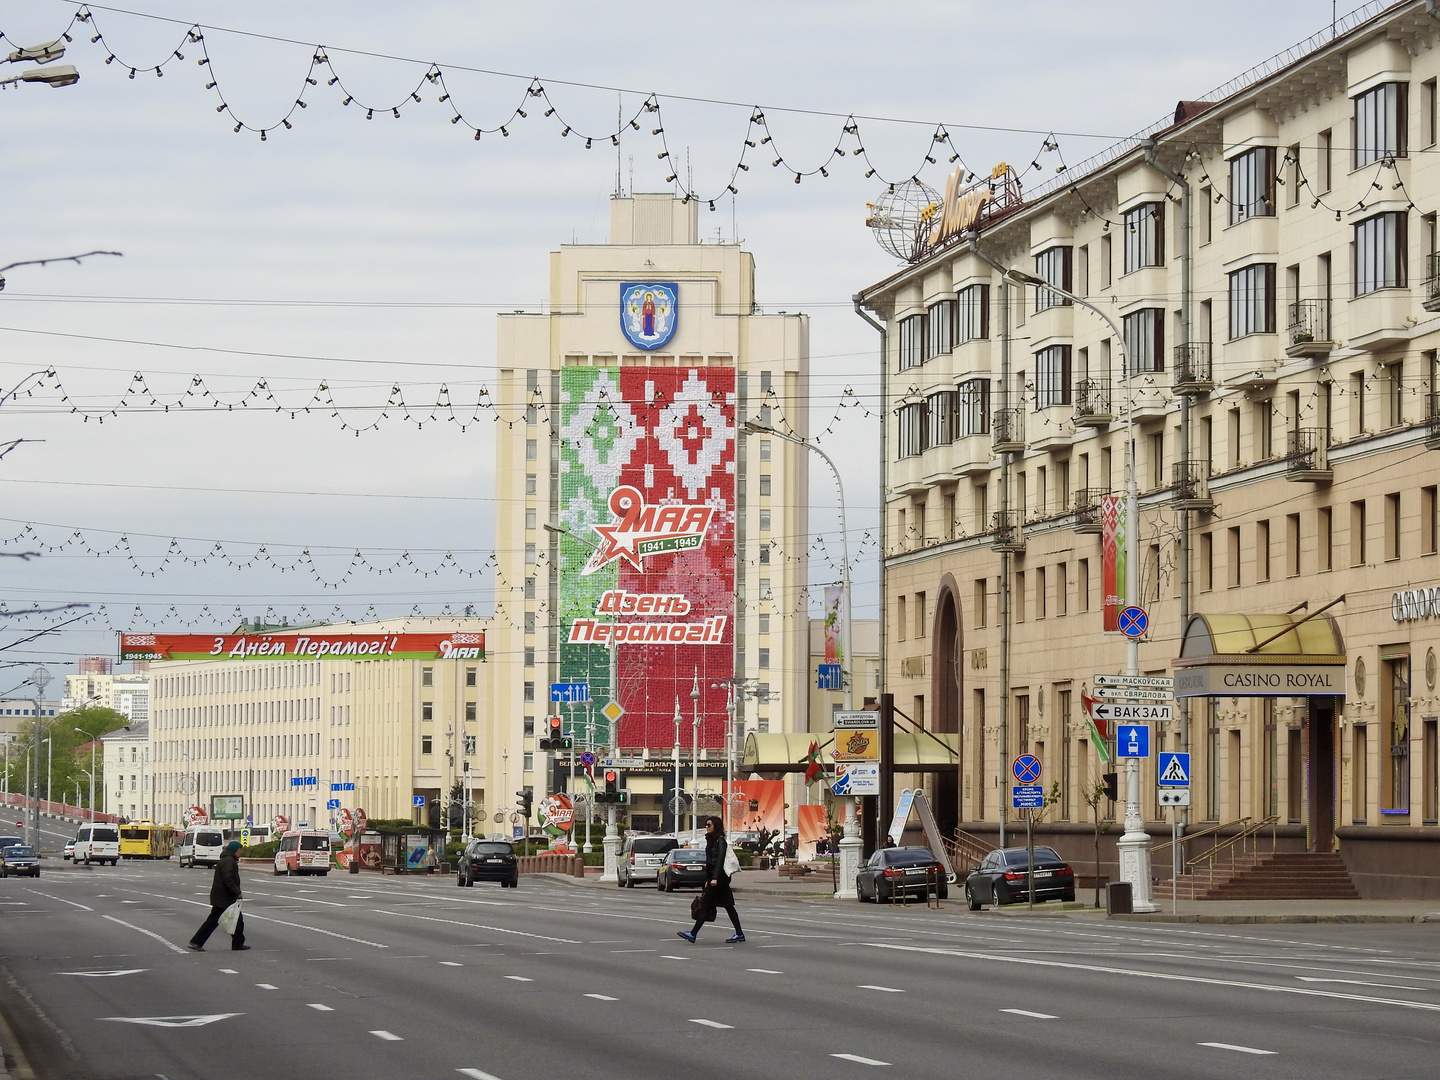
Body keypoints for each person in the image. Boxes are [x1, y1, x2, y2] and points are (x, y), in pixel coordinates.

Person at [677, 816, 744, 944]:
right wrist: (709, 878)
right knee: (728, 906)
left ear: (716, 826)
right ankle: (739, 933)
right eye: (706, 825)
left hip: (720, 878)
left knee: (706, 904)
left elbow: (719, 860)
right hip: (717, 878)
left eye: (709, 825)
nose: (706, 827)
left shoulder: (720, 841)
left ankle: (693, 933)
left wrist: (714, 878)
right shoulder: (712, 841)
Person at [189, 839, 249, 952]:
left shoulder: (227, 860)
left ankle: (237, 943)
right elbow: (228, 879)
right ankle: (197, 941)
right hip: (224, 897)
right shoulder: (228, 862)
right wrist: (237, 892)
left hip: (222, 897)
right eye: (240, 849)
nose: (241, 852)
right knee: (217, 921)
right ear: (235, 850)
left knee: (236, 920)